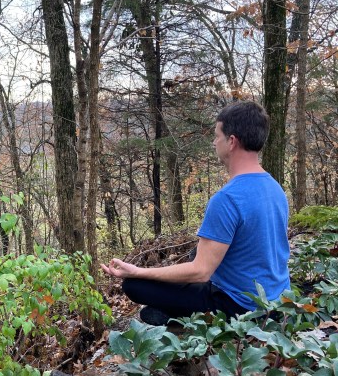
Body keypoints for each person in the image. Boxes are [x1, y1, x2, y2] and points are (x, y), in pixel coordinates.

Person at [101, 102, 290, 326]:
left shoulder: (227, 198)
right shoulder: (275, 188)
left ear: (231, 141)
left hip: (241, 306)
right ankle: (172, 314)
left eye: (217, 136)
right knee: (193, 255)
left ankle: (179, 318)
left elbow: (201, 272)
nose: (214, 142)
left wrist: (137, 271)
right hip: (276, 301)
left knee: (134, 285)